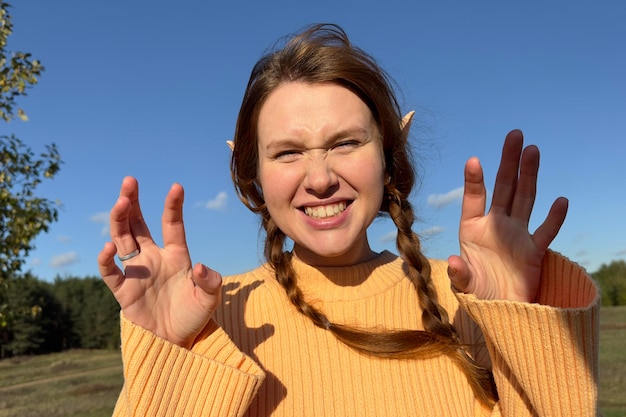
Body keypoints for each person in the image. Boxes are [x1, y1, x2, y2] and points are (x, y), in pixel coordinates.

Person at [98, 24, 599, 416]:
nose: (319, 178)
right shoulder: (214, 319)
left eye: (345, 143)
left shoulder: (468, 301)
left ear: (389, 158)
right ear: (254, 175)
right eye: (288, 152)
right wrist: (171, 353)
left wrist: (523, 322)